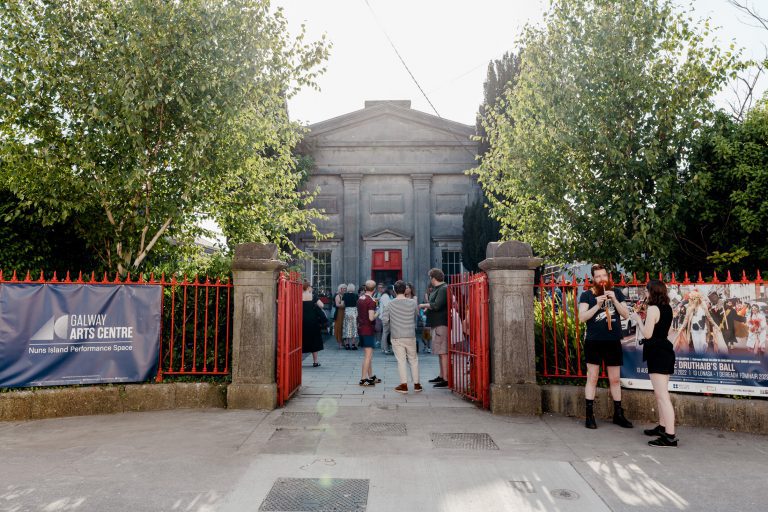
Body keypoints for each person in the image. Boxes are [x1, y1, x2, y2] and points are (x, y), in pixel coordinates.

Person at [578, 263, 633, 429]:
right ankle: (589, 415)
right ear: (593, 279)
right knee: (593, 378)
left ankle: (618, 414)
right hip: (594, 341)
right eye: (598, 276)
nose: (602, 279)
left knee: (615, 379)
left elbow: (625, 314)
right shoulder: (587, 295)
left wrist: (614, 299)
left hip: (612, 341)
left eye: (604, 275)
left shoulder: (616, 293)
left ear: (607, 277)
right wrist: (597, 305)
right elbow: (582, 317)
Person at [631, 280, 678, 447]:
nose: (645, 294)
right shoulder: (667, 308)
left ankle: (670, 436)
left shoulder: (652, 309)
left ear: (653, 292)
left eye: (647, 291)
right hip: (665, 351)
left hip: (657, 353)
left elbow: (648, 334)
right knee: (661, 394)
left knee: (663, 396)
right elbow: (663, 330)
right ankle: (663, 426)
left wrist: (637, 319)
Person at [382, 280, 421, 393]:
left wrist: (390, 327)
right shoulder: (412, 303)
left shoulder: (390, 303)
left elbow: (385, 320)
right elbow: (416, 314)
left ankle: (404, 385)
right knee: (413, 360)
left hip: (397, 335)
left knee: (401, 361)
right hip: (410, 334)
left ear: (394, 290)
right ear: (405, 290)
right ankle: (417, 384)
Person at [420, 268, 449, 388]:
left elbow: (437, 305)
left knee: (443, 351)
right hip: (436, 323)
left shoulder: (443, 289)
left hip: (441, 324)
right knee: (439, 352)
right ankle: (441, 375)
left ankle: (446, 378)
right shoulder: (438, 289)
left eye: (430, 278)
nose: (430, 280)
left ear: (433, 278)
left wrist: (424, 305)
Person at [357, 280, 380, 386]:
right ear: (374, 290)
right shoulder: (371, 301)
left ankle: (370, 377)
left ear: (365, 288)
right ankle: (363, 378)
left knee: (368, 355)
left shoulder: (360, 298)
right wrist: (378, 312)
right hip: (368, 329)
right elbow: (371, 318)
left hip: (361, 328)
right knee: (368, 355)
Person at [301, 281, 327, 367]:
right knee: (314, 340)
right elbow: (322, 305)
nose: (312, 288)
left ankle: (298, 361)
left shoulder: (299, 296)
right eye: (311, 287)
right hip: (313, 321)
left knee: (301, 339)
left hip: (301, 320)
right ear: (308, 287)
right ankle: (315, 361)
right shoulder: (313, 296)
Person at [342, 283, 359, 350]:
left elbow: (343, 304)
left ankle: (347, 344)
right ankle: (354, 344)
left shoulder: (345, 295)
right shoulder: (355, 295)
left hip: (347, 311)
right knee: (354, 327)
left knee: (347, 327)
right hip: (354, 312)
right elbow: (357, 304)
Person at [333, 284, 347, 349]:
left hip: (345, 313)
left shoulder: (345, 295)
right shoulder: (338, 296)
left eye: (345, 288)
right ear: (340, 289)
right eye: (343, 288)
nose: (344, 289)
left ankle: (343, 342)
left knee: (344, 327)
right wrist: (345, 305)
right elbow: (337, 305)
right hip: (339, 313)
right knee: (339, 327)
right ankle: (340, 343)